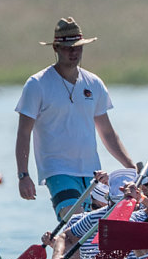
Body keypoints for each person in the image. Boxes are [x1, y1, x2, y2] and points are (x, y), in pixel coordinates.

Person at [15, 16, 138, 219]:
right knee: (75, 220)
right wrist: (23, 175)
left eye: (78, 47)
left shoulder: (94, 83)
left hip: (92, 173)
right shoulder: (37, 84)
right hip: (58, 171)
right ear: (55, 48)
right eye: (67, 47)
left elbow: (107, 132)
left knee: (92, 229)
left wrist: (130, 166)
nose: (74, 52)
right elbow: (23, 133)